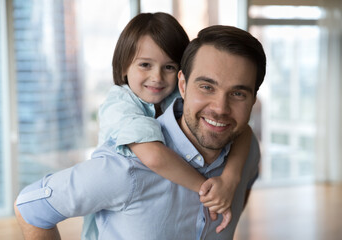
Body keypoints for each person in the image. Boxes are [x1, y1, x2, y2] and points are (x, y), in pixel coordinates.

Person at [14, 24, 266, 239]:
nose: (220, 108)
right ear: (183, 84)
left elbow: (246, 150)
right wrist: (208, 190)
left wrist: (231, 179)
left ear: (253, 99)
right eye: (206, 87)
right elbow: (31, 207)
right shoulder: (126, 166)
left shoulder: (247, 149)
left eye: (237, 94)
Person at [84, 12, 252, 238]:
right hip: (120, 213)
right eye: (145, 65)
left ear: (182, 75)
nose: (157, 77)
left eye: (169, 67)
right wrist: (210, 193)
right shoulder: (119, 105)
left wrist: (231, 179)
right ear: (124, 67)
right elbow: (153, 156)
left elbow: (244, 131)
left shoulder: (176, 96)